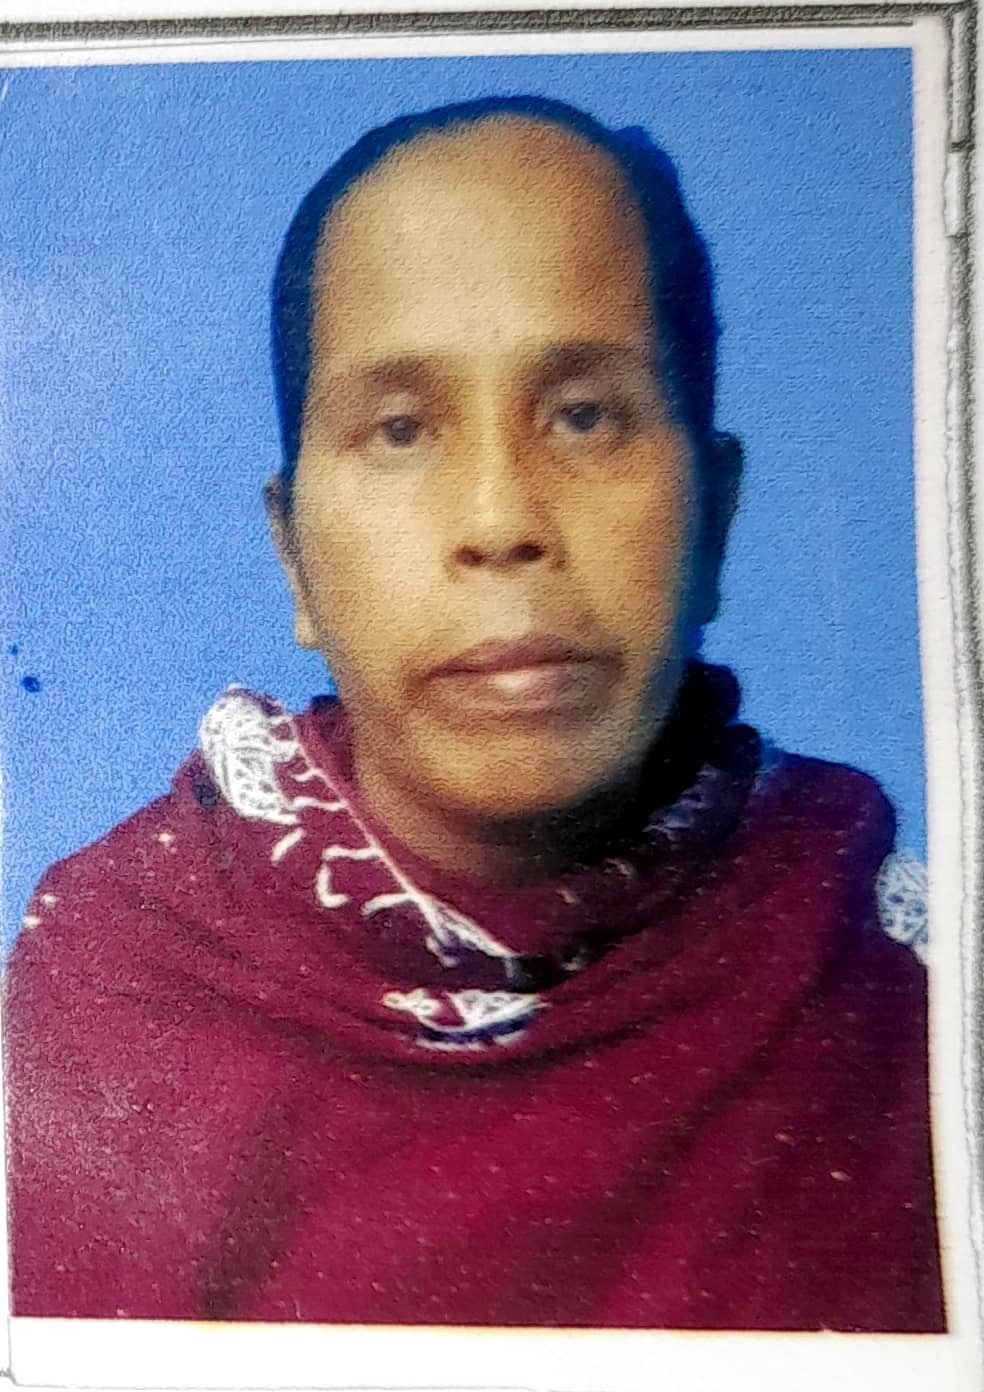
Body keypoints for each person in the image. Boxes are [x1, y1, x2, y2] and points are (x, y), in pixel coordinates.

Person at [4, 95, 944, 1330]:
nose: (501, 520)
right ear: (293, 560)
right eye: (401, 430)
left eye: (585, 416)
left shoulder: (905, 992)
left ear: (714, 519)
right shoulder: (106, 1001)